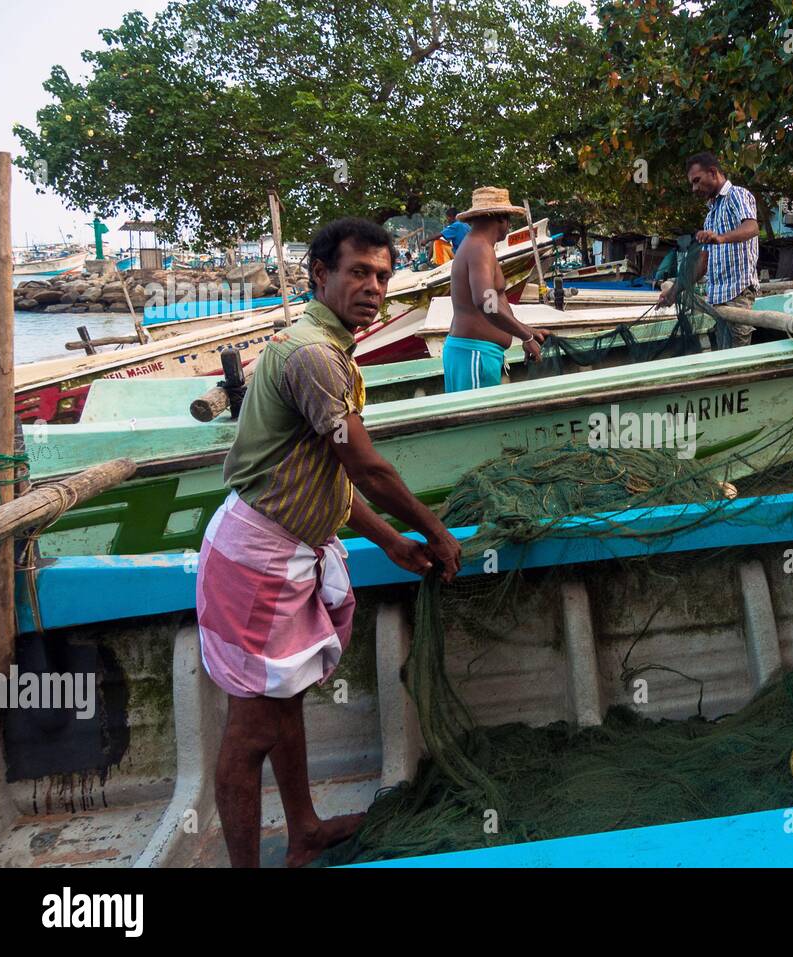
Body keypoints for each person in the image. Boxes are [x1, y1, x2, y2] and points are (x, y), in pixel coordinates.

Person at [196, 216, 462, 867]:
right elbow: (366, 467)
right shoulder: (315, 357)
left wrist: (391, 541)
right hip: (257, 562)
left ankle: (306, 828)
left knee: (283, 702)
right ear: (320, 275)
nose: (372, 285)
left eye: (381, 274)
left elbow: (329, 475)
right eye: (358, 272)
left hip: (285, 549)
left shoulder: (326, 347)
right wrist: (432, 528)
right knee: (252, 727)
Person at [442, 187, 549, 392]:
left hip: (480, 354)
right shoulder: (479, 248)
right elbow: (485, 301)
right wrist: (525, 338)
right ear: (501, 219)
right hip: (474, 354)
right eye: (509, 220)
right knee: (476, 421)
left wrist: (529, 331)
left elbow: (494, 300)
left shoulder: (479, 246)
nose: (509, 226)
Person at [658, 152, 759, 348]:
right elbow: (701, 264)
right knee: (723, 356)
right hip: (719, 300)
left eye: (697, 180)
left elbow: (752, 227)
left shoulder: (736, 195)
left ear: (713, 173)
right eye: (692, 184)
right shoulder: (711, 215)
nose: (695, 188)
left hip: (738, 295)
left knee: (736, 360)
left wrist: (720, 238)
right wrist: (673, 292)